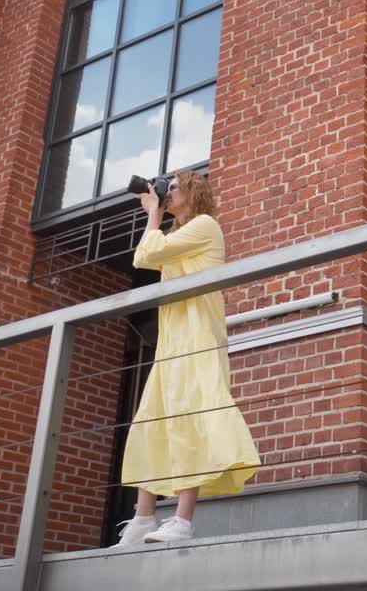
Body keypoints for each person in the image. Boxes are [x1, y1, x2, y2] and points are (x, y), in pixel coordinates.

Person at [113, 171, 260, 546]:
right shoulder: (177, 235)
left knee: (192, 418)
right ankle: (143, 517)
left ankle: (182, 521)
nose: (167, 191)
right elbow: (148, 254)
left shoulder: (205, 226)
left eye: (174, 186)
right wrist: (156, 213)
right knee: (154, 418)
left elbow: (145, 255)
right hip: (173, 342)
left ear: (194, 192)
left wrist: (153, 212)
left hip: (198, 336)